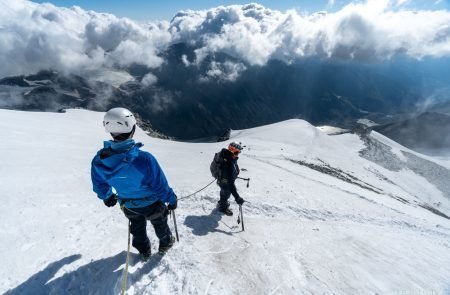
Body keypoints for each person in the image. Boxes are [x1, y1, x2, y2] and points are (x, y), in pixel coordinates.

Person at [91, 107, 177, 259]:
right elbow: (160, 186)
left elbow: (100, 184)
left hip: (129, 205)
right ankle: (165, 243)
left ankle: (144, 251)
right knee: (160, 223)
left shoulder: (100, 161)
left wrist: (107, 196)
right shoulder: (144, 159)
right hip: (152, 203)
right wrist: (171, 199)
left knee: (137, 228)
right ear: (132, 129)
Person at [216, 142, 245, 216]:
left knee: (224, 193)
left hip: (223, 180)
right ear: (231, 151)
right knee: (226, 194)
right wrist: (237, 198)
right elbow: (230, 184)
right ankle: (222, 207)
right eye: (236, 152)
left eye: (238, 153)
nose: (237, 154)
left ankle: (222, 202)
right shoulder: (228, 162)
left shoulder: (229, 157)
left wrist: (233, 175)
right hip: (225, 182)